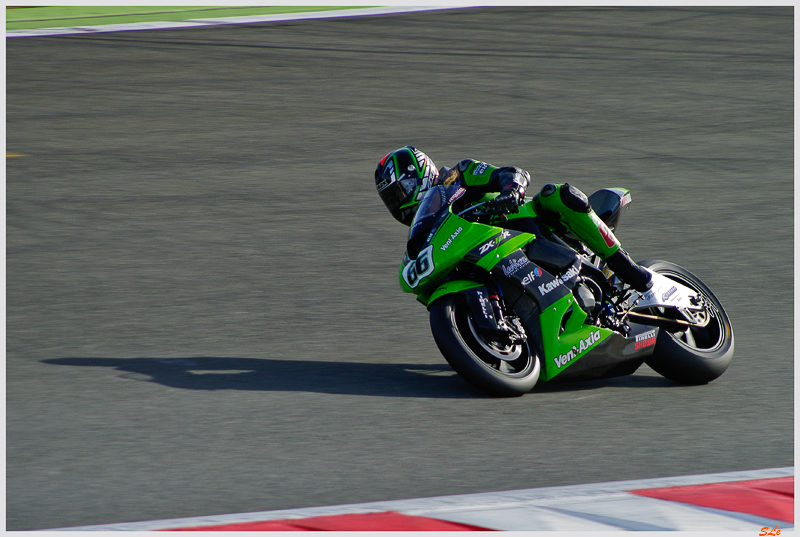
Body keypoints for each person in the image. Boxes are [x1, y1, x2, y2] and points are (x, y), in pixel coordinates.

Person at [374, 146, 652, 292]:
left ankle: (629, 270)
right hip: (491, 257)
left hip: (524, 223)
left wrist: (511, 190)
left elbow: (510, 173)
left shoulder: (458, 175)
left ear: (420, 173)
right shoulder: (430, 228)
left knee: (556, 194)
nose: (399, 203)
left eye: (401, 191)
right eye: (392, 200)